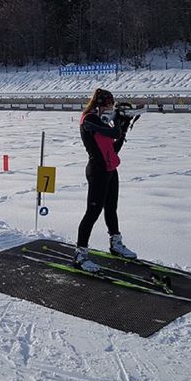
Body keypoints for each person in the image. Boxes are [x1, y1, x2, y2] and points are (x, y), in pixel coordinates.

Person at [74, 88, 136, 273]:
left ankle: (115, 244)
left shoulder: (103, 122)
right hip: (97, 171)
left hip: (110, 170)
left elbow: (113, 148)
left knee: (111, 209)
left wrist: (124, 128)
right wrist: (119, 123)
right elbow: (113, 134)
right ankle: (80, 254)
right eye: (109, 105)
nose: (111, 108)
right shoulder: (89, 120)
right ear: (100, 105)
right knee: (92, 213)